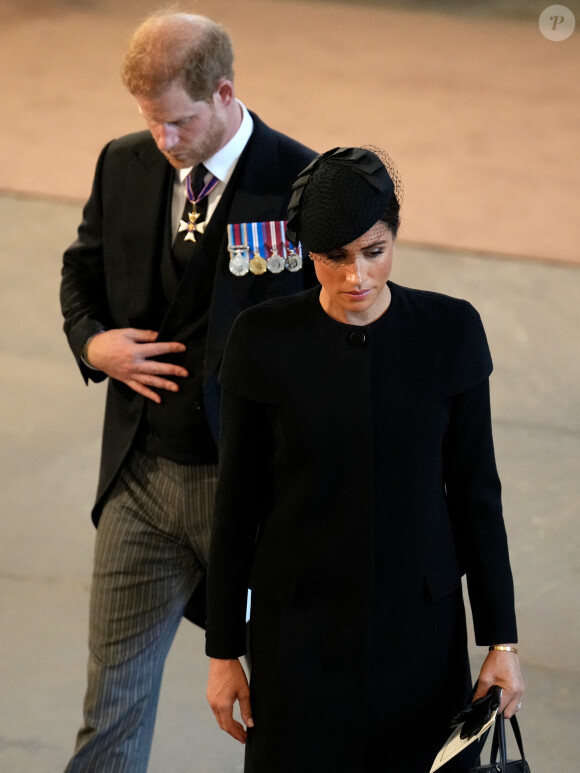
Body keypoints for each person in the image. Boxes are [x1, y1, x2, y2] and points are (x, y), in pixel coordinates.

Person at [205, 147, 525, 773]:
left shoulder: (450, 332)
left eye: (373, 251)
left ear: (395, 236)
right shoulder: (262, 340)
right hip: (298, 639)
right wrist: (223, 653)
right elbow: (236, 506)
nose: (356, 275)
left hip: (420, 639)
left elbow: (475, 496)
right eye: (334, 258)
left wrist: (500, 640)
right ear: (307, 253)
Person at [60, 10, 316, 771]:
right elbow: (82, 268)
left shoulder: (300, 182)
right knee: (109, 710)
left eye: (176, 122)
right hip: (138, 479)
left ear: (225, 92)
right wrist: (92, 342)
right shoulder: (125, 162)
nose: (163, 141)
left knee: (279, 705)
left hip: (249, 490)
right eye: (149, 121)